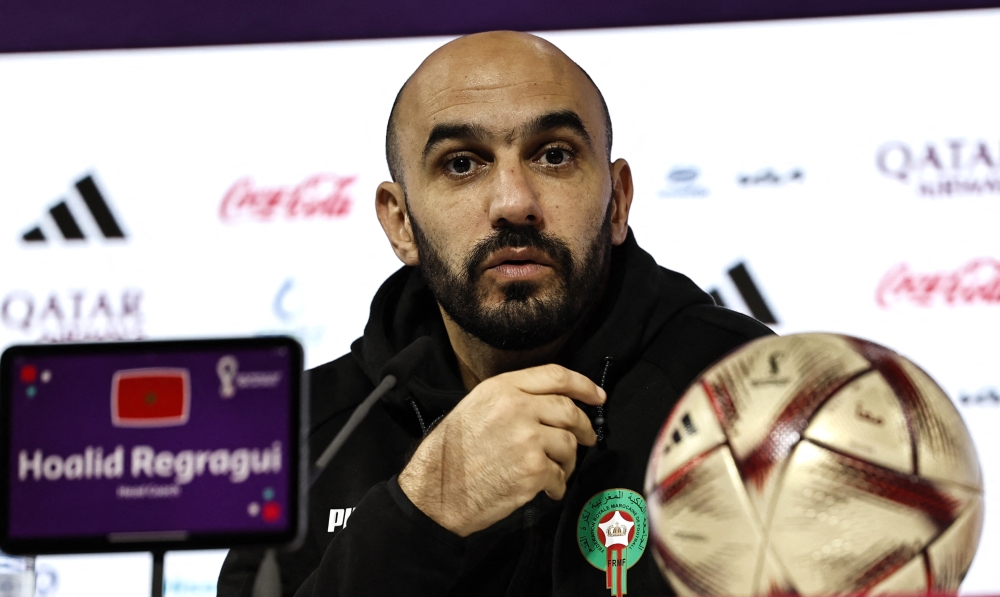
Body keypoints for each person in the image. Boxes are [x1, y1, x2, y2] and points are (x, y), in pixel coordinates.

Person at [218, 30, 771, 597]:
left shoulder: (746, 388)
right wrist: (423, 511)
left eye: (554, 155)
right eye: (462, 164)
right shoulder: (317, 435)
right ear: (400, 222)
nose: (514, 203)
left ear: (618, 200)